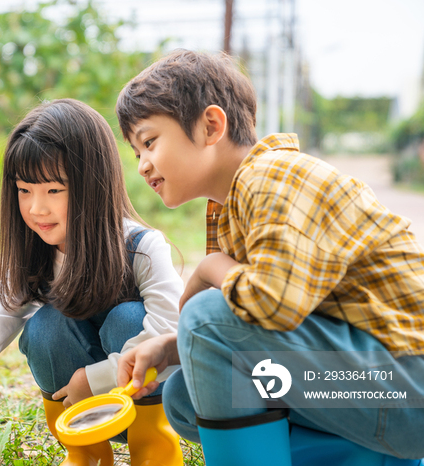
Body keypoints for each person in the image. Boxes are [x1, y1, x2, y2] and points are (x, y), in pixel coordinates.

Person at [113, 49, 424, 465]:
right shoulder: (232, 204)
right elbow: (267, 323)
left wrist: (209, 268)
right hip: (370, 387)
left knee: (206, 318)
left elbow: (269, 303)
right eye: (136, 153)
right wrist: (172, 348)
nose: (142, 165)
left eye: (149, 142)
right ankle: (370, 458)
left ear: (210, 125)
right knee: (186, 395)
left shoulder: (277, 177)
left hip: (407, 390)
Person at [0, 99, 185, 466]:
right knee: (45, 326)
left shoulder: (141, 248)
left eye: (53, 191)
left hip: (149, 399)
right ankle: (86, 457)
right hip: (81, 410)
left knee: (128, 318)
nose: (36, 208)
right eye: (24, 190)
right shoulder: (35, 257)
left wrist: (96, 378)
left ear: (93, 185)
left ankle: (154, 456)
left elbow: (171, 330)